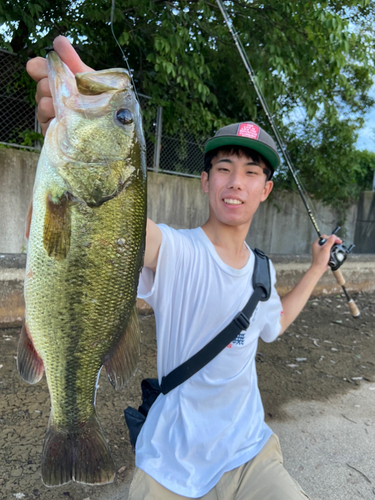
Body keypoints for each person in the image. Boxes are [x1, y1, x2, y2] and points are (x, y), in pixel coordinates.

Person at [27, 36, 341, 500]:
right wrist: (70, 121)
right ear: (204, 180)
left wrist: (316, 268)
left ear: (266, 190)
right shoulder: (174, 249)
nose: (236, 181)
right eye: (224, 168)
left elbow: (273, 324)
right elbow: (101, 228)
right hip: (169, 460)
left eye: (252, 172)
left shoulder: (262, 272)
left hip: (250, 452)